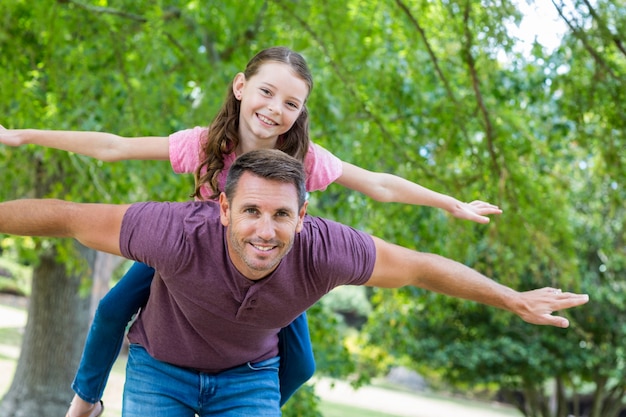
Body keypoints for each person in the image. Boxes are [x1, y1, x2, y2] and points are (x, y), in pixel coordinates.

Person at [0, 46, 503, 417]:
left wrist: (448, 202)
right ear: (241, 88)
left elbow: (379, 185)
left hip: (265, 272)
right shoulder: (202, 144)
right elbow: (112, 146)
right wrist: (24, 135)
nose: (275, 109)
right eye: (267, 92)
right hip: (189, 263)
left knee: (301, 363)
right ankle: (85, 402)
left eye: (291, 103)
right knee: (113, 309)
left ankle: (239, 402)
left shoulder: (305, 159)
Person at [0, 149, 589, 417]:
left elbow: (421, 266)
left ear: (302, 218)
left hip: (248, 380)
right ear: (224, 209)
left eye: (282, 215)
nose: (265, 230)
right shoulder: (175, 231)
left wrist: (510, 297)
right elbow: (66, 214)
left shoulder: (326, 248)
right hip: (161, 367)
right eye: (251, 212)